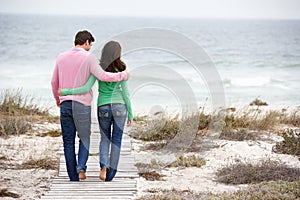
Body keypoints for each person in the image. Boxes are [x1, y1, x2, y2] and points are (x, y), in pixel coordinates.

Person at [51, 31, 129, 182]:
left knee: (68, 141)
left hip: (66, 104)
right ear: (86, 42)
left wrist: (58, 98)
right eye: (90, 44)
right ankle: (81, 169)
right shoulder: (89, 58)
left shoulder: (61, 57)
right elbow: (104, 76)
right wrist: (123, 75)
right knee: (84, 139)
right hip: (82, 105)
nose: (90, 47)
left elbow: (54, 82)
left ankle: (73, 177)